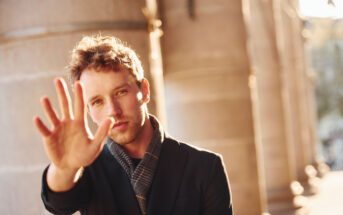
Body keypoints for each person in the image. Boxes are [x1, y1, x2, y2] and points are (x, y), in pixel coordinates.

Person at [34, 35, 233, 215]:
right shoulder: (86, 169)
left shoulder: (205, 167)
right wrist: (65, 168)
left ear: (144, 91)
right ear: (88, 111)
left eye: (121, 92)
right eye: (97, 101)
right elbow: (58, 203)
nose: (113, 110)